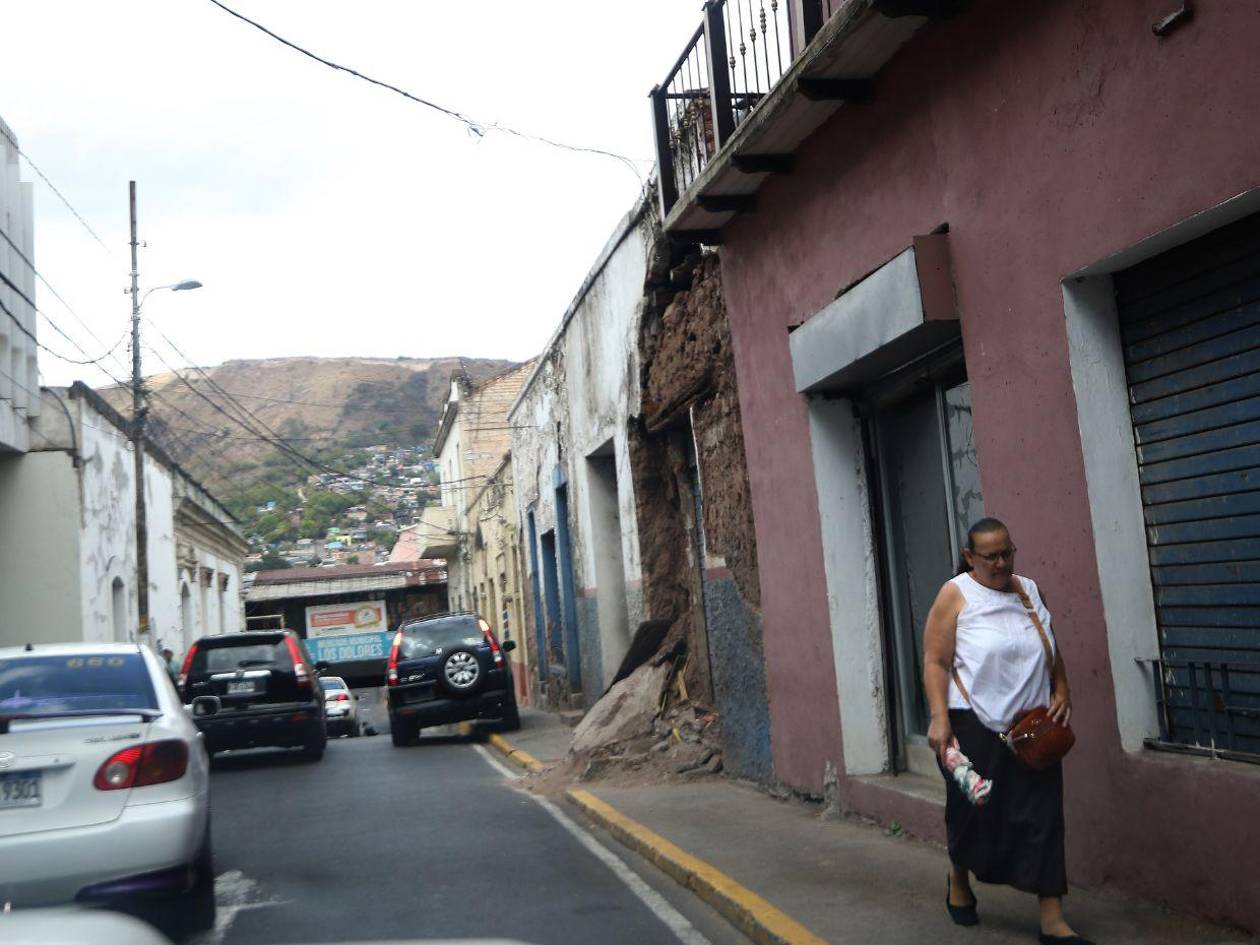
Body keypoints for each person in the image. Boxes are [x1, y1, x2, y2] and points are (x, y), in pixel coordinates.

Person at [922, 517, 1089, 945]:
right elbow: (936, 662)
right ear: (969, 557)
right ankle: (959, 880)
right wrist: (939, 718)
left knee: (1044, 817)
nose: (1001, 563)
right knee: (974, 814)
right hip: (973, 723)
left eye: (1007, 552)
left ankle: (1052, 921)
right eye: (990, 556)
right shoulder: (956, 595)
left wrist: (1062, 685)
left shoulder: (1028, 590)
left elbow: (1047, 642)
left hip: (1032, 727)